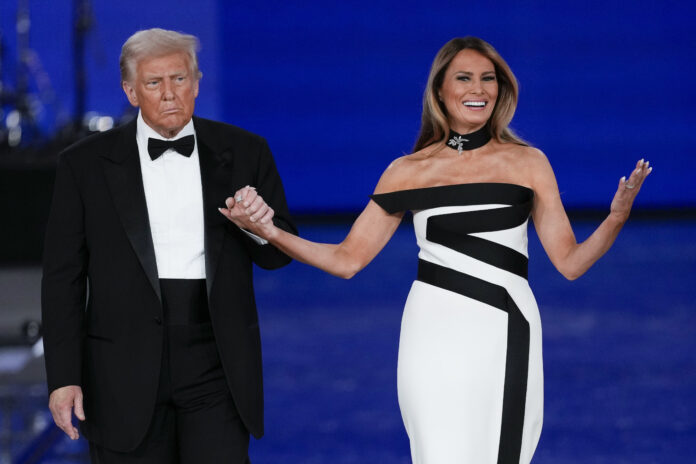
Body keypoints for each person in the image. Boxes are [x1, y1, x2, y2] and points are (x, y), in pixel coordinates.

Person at [220, 37, 651, 463]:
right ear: (440, 92)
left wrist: (615, 218)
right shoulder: (407, 172)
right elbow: (347, 260)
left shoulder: (528, 163)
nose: (478, 89)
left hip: (505, 330)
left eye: (488, 79)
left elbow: (570, 263)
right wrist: (269, 231)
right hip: (431, 333)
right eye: (463, 78)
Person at [42, 28, 296, 463]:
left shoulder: (245, 152)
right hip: (121, 366)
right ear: (130, 91)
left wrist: (259, 227)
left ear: (196, 82)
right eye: (154, 83)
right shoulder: (83, 165)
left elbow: (277, 256)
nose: (169, 94)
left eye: (179, 79)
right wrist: (63, 377)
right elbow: (63, 278)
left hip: (216, 359)